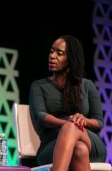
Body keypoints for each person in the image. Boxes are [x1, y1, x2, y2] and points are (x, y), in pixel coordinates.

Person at [29, 35, 107, 171]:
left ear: (71, 58)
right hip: (52, 145)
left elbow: (99, 122)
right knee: (79, 150)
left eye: (59, 53)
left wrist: (83, 121)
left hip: (90, 142)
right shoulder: (39, 86)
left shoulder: (87, 85)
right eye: (52, 51)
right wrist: (68, 124)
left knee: (76, 135)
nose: (52, 56)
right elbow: (40, 116)